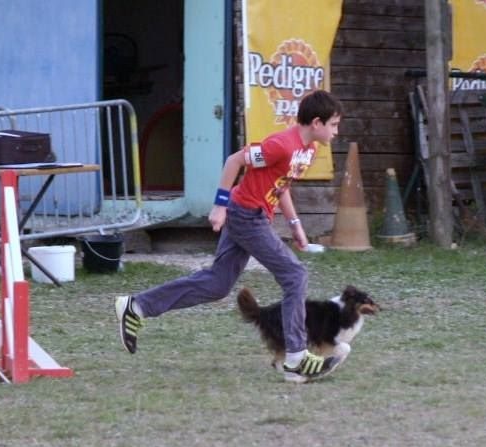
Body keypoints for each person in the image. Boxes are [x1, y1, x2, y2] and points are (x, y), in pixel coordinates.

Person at [115, 90, 344, 383]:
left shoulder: (307, 150)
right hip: (245, 215)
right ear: (316, 122)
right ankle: (296, 358)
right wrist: (219, 206)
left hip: (252, 214)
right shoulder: (281, 145)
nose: (336, 132)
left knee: (217, 284)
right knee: (294, 275)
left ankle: (137, 306)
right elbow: (234, 161)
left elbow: (281, 184)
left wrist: (295, 223)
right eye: (334, 125)